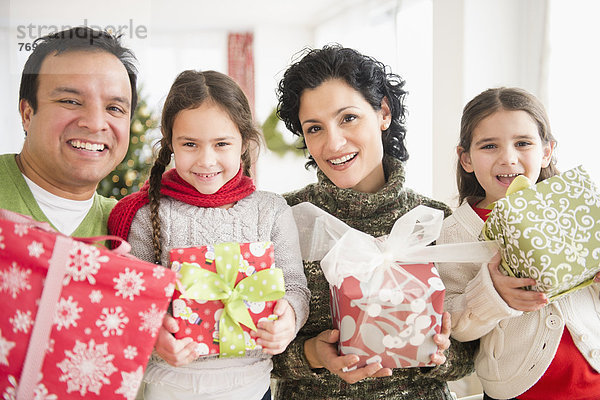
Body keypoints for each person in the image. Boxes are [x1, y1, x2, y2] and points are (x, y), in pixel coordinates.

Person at [271, 45, 477, 400]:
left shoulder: (433, 220)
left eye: (348, 118)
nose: (333, 143)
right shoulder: (284, 218)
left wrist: (440, 352)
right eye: (315, 128)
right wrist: (311, 355)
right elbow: (248, 352)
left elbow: (471, 357)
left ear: (383, 112)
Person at [107, 69, 310, 400]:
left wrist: (289, 317)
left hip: (252, 386)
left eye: (222, 144)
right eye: (190, 144)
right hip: (169, 386)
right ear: (170, 143)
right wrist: (156, 334)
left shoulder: (271, 210)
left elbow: (295, 286)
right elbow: (136, 301)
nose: (206, 160)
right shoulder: (147, 215)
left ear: (244, 142)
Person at [437, 87, 600, 400]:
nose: (507, 158)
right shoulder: (455, 232)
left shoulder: (575, 209)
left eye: (523, 143)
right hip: (518, 391)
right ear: (467, 159)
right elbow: (455, 323)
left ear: (547, 151)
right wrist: (493, 294)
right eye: (489, 146)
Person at [0, 26, 137, 236]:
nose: (95, 123)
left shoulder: (130, 228)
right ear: (27, 114)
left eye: (114, 108)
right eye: (71, 101)